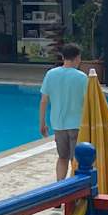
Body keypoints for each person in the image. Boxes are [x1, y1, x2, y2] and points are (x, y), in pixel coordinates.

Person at [38, 43, 89, 181]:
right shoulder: (82, 77)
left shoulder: (51, 74)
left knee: (62, 158)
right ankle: (76, 188)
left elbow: (44, 101)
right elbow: (88, 102)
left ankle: (59, 186)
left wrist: (42, 123)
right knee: (76, 160)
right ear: (77, 58)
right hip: (77, 125)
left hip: (58, 125)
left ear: (63, 57)